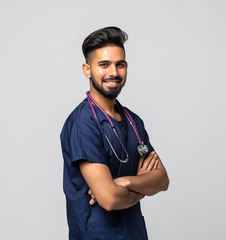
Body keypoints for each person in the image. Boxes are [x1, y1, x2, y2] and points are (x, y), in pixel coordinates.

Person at [60, 26, 169, 240]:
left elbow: (162, 180)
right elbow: (108, 198)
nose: (113, 72)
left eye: (120, 65)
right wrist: (143, 185)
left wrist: (125, 182)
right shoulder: (83, 124)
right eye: (104, 65)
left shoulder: (133, 121)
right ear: (87, 69)